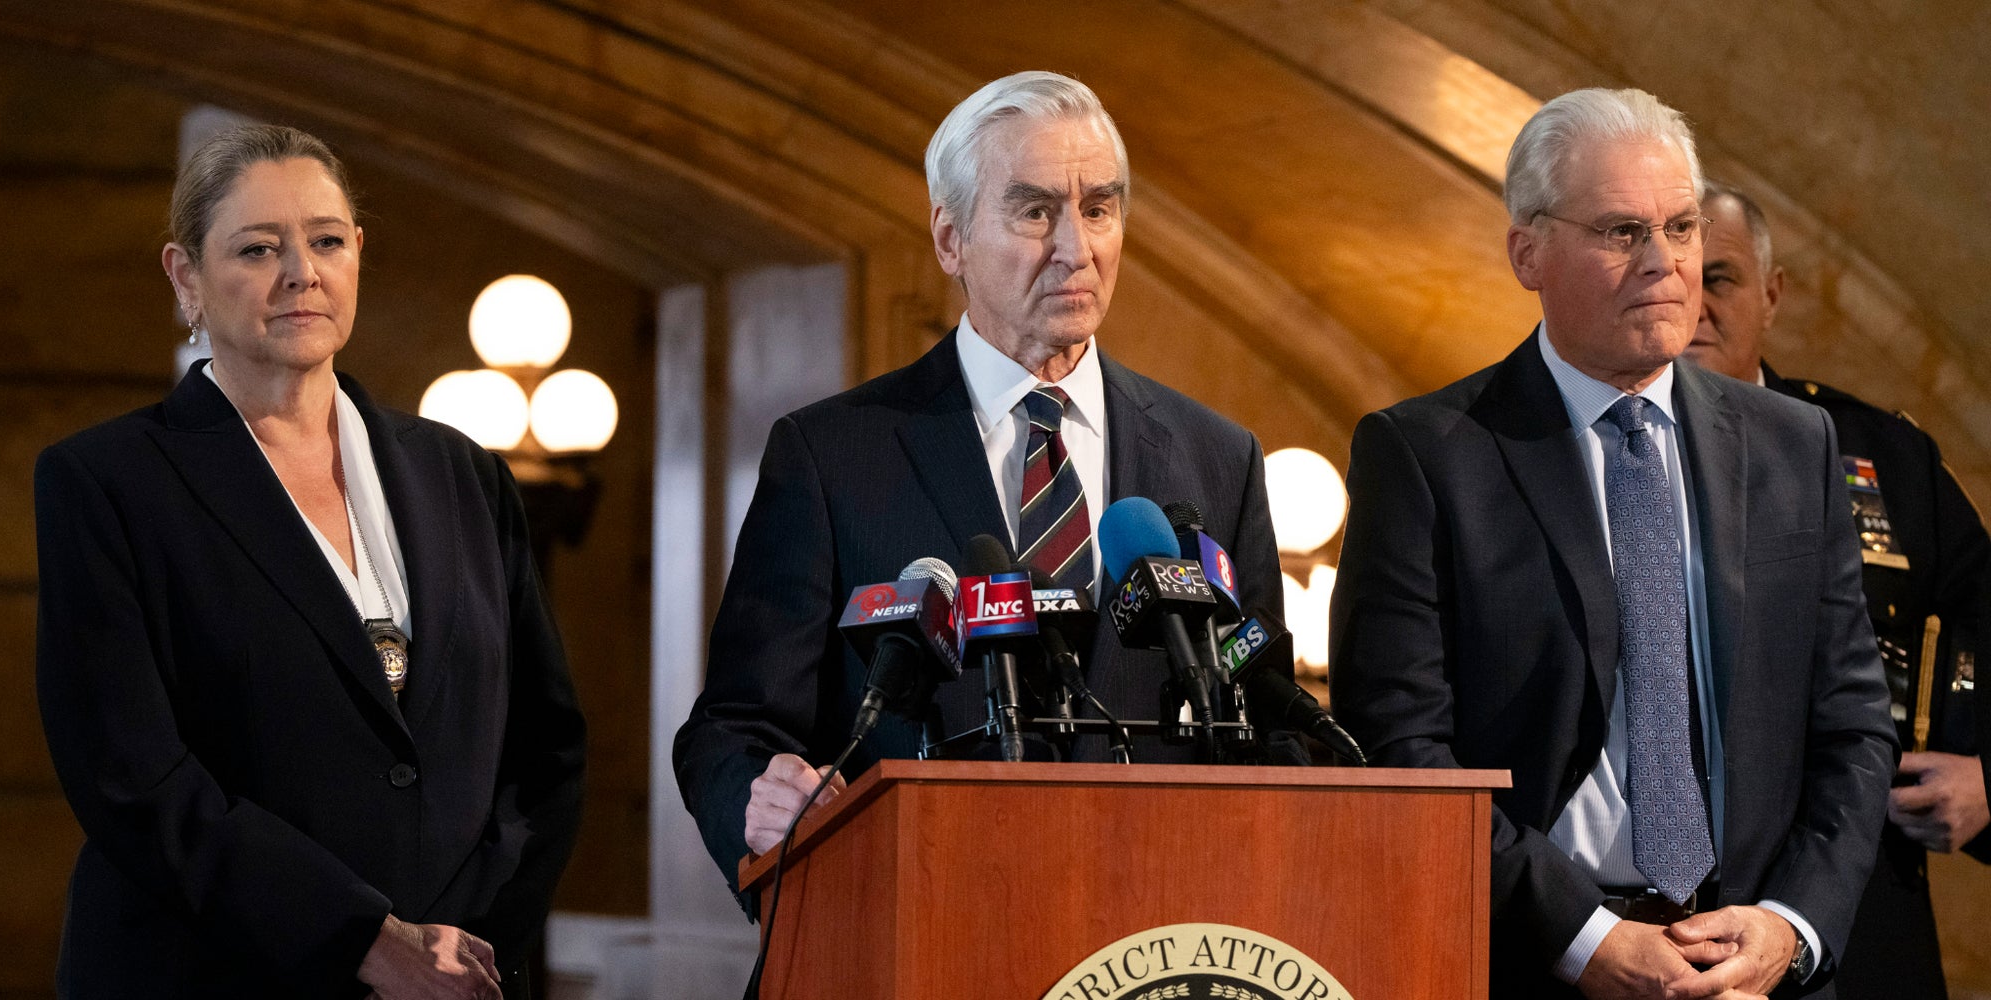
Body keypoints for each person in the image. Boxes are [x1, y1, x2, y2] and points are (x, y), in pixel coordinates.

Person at [1328, 88, 1896, 999]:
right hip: (1532, 962)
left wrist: (1789, 927)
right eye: (1622, 232)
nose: (1663, 263)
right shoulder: (1426, 457)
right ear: (1528, 253)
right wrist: (1584, 941)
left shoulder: (1794, 444)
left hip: (1753, 968)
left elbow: (1855, 728)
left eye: (1680, 228)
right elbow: (1399, 749)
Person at [672, 71, 1283, 900]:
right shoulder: (830, 455)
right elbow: (733, 728)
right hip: (914, 913)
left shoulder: (1219, 458)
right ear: (949, 239)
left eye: (1099, 209)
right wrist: (759, 797)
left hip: (1151, 925)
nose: (1077, 248)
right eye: (1035, 212)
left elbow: (1270, 724)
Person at [33, 124, 585, 998]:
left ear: (357, 252)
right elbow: (133, 779)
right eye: (258, 248)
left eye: (326, 241)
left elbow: (545, 754)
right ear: (186, 277)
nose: (302, 273)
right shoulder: (107, 484)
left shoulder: (463, 473)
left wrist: (464, 947)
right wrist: (366, 942)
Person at [1684, 180, 1988, 998]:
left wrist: (1990, 779)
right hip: (1658, 914)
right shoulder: (1588, 451)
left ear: (1772, 295)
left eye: (1721, 278)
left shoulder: (1882, 457)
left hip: (1858, 906)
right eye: (1677, 277)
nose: (1695, 303)